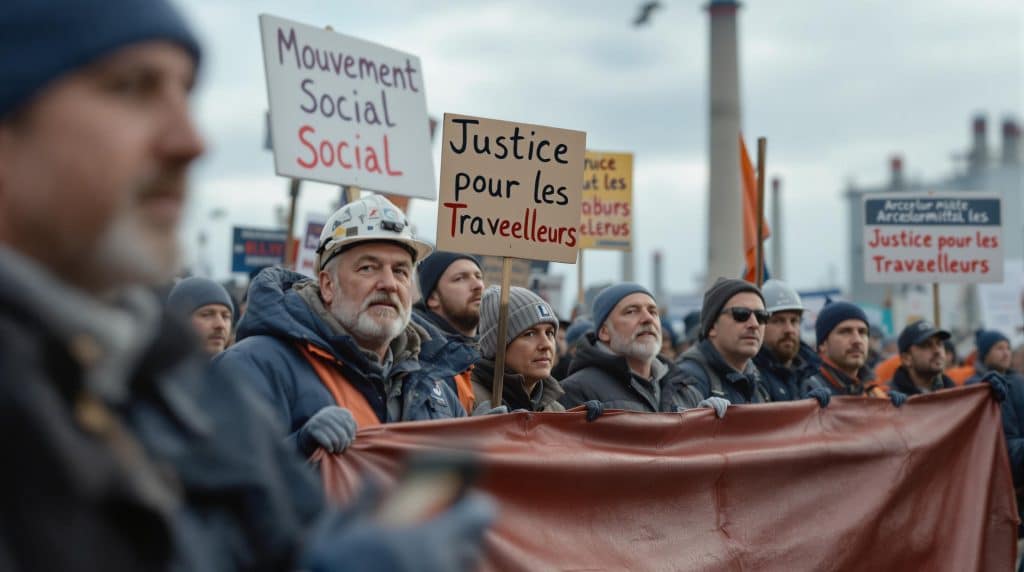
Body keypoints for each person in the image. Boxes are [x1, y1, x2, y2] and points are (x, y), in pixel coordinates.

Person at [0, 0, 493, 569]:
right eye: (131, 87)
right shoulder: (249, 367)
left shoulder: (163, 367)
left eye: (185, 92)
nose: (191, 140)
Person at [214, 194, 471, 457]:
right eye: (368, 268)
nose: (389, 283)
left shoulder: (436, 384)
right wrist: (298, 449)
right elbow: (211, 479)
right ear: (327, 285)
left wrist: (484, 441)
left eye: (401, 271)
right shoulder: (255, 366)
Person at [559, 283, 719, 415]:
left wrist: (710, 422)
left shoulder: (686, 391)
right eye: (631, 311)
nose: (647, 319)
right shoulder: (577, 390)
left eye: (653, 311)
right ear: (604, 332)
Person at [676, 278, 778, 406]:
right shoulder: (688, 379)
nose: (754, 324)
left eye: (761, 316)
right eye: (741, 314)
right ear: (712, 326)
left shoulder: (758, 381)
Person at [470, 286, 566, 413]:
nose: (546, 344)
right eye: (530, 334)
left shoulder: (556, 411)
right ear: (496, 346)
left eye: (549, 333)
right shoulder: (466, 399)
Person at [412, 250, 485, 411]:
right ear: (432, 298)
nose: (477, 286)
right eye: (460, 278)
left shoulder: (486, 363)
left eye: (479, 277)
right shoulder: (418, 357)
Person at [802, 301, 907, 406]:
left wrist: (891, 411)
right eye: (845, 331)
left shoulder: (873, 391)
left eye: (862, 332)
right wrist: (805, 409)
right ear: (822, 344)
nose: (857, 340)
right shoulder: (804, 387)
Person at [752, 279, 821, 402]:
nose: (789, 329)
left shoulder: (812, 375)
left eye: (794, 321)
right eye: (778, 321)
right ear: (758, 324)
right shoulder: (750, 377)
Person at [166, 276, 234, 356]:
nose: (220, 324)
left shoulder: (240, 367)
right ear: (179, 321)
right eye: (207, 315)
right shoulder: (155, 367)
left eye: (225, 316)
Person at [887, 320, 955, 395]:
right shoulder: (888, 399)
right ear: (906, 359)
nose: (937, 351)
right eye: (926, 345)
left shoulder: (955, 393)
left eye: (939, 343)